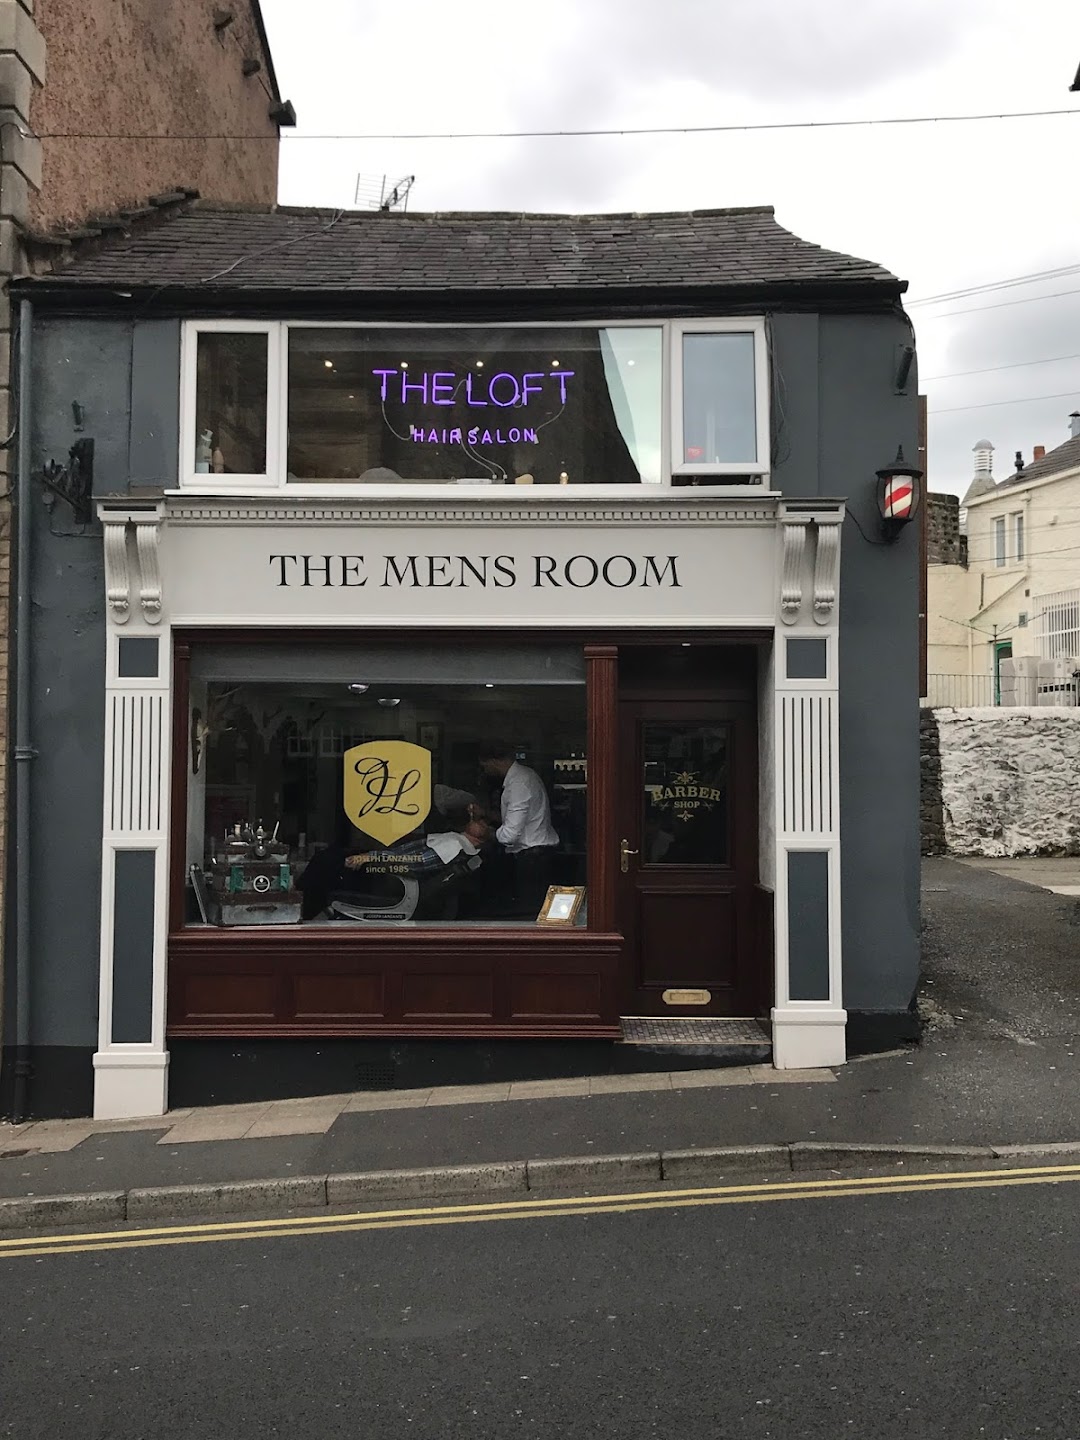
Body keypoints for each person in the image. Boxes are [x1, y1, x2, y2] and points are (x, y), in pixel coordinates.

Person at [478, 739, 559, 917]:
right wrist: (485, 813)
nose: (485, 771)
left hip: (532, 858)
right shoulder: (525, 776)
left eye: (485, 766)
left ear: (494, 761)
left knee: (529, 914)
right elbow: (518, 820)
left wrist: (485, 832)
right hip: (535, 854)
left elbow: (509, 835)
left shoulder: (518, 784)